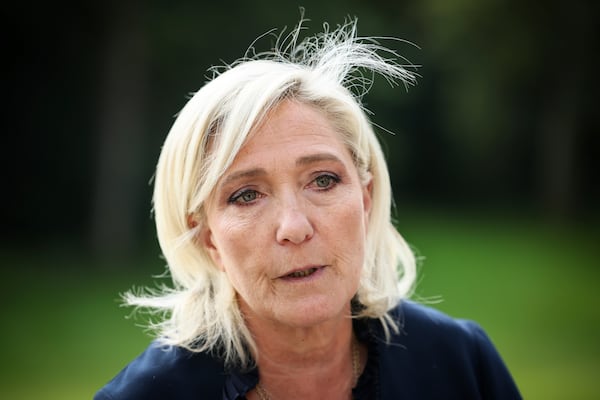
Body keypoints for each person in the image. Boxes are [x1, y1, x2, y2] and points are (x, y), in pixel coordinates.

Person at [94, 16, 522, 400]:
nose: (294, 227)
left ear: (366, 198)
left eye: (323, 180)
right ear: (209, 239)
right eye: (247, 195)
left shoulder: (462, 365)